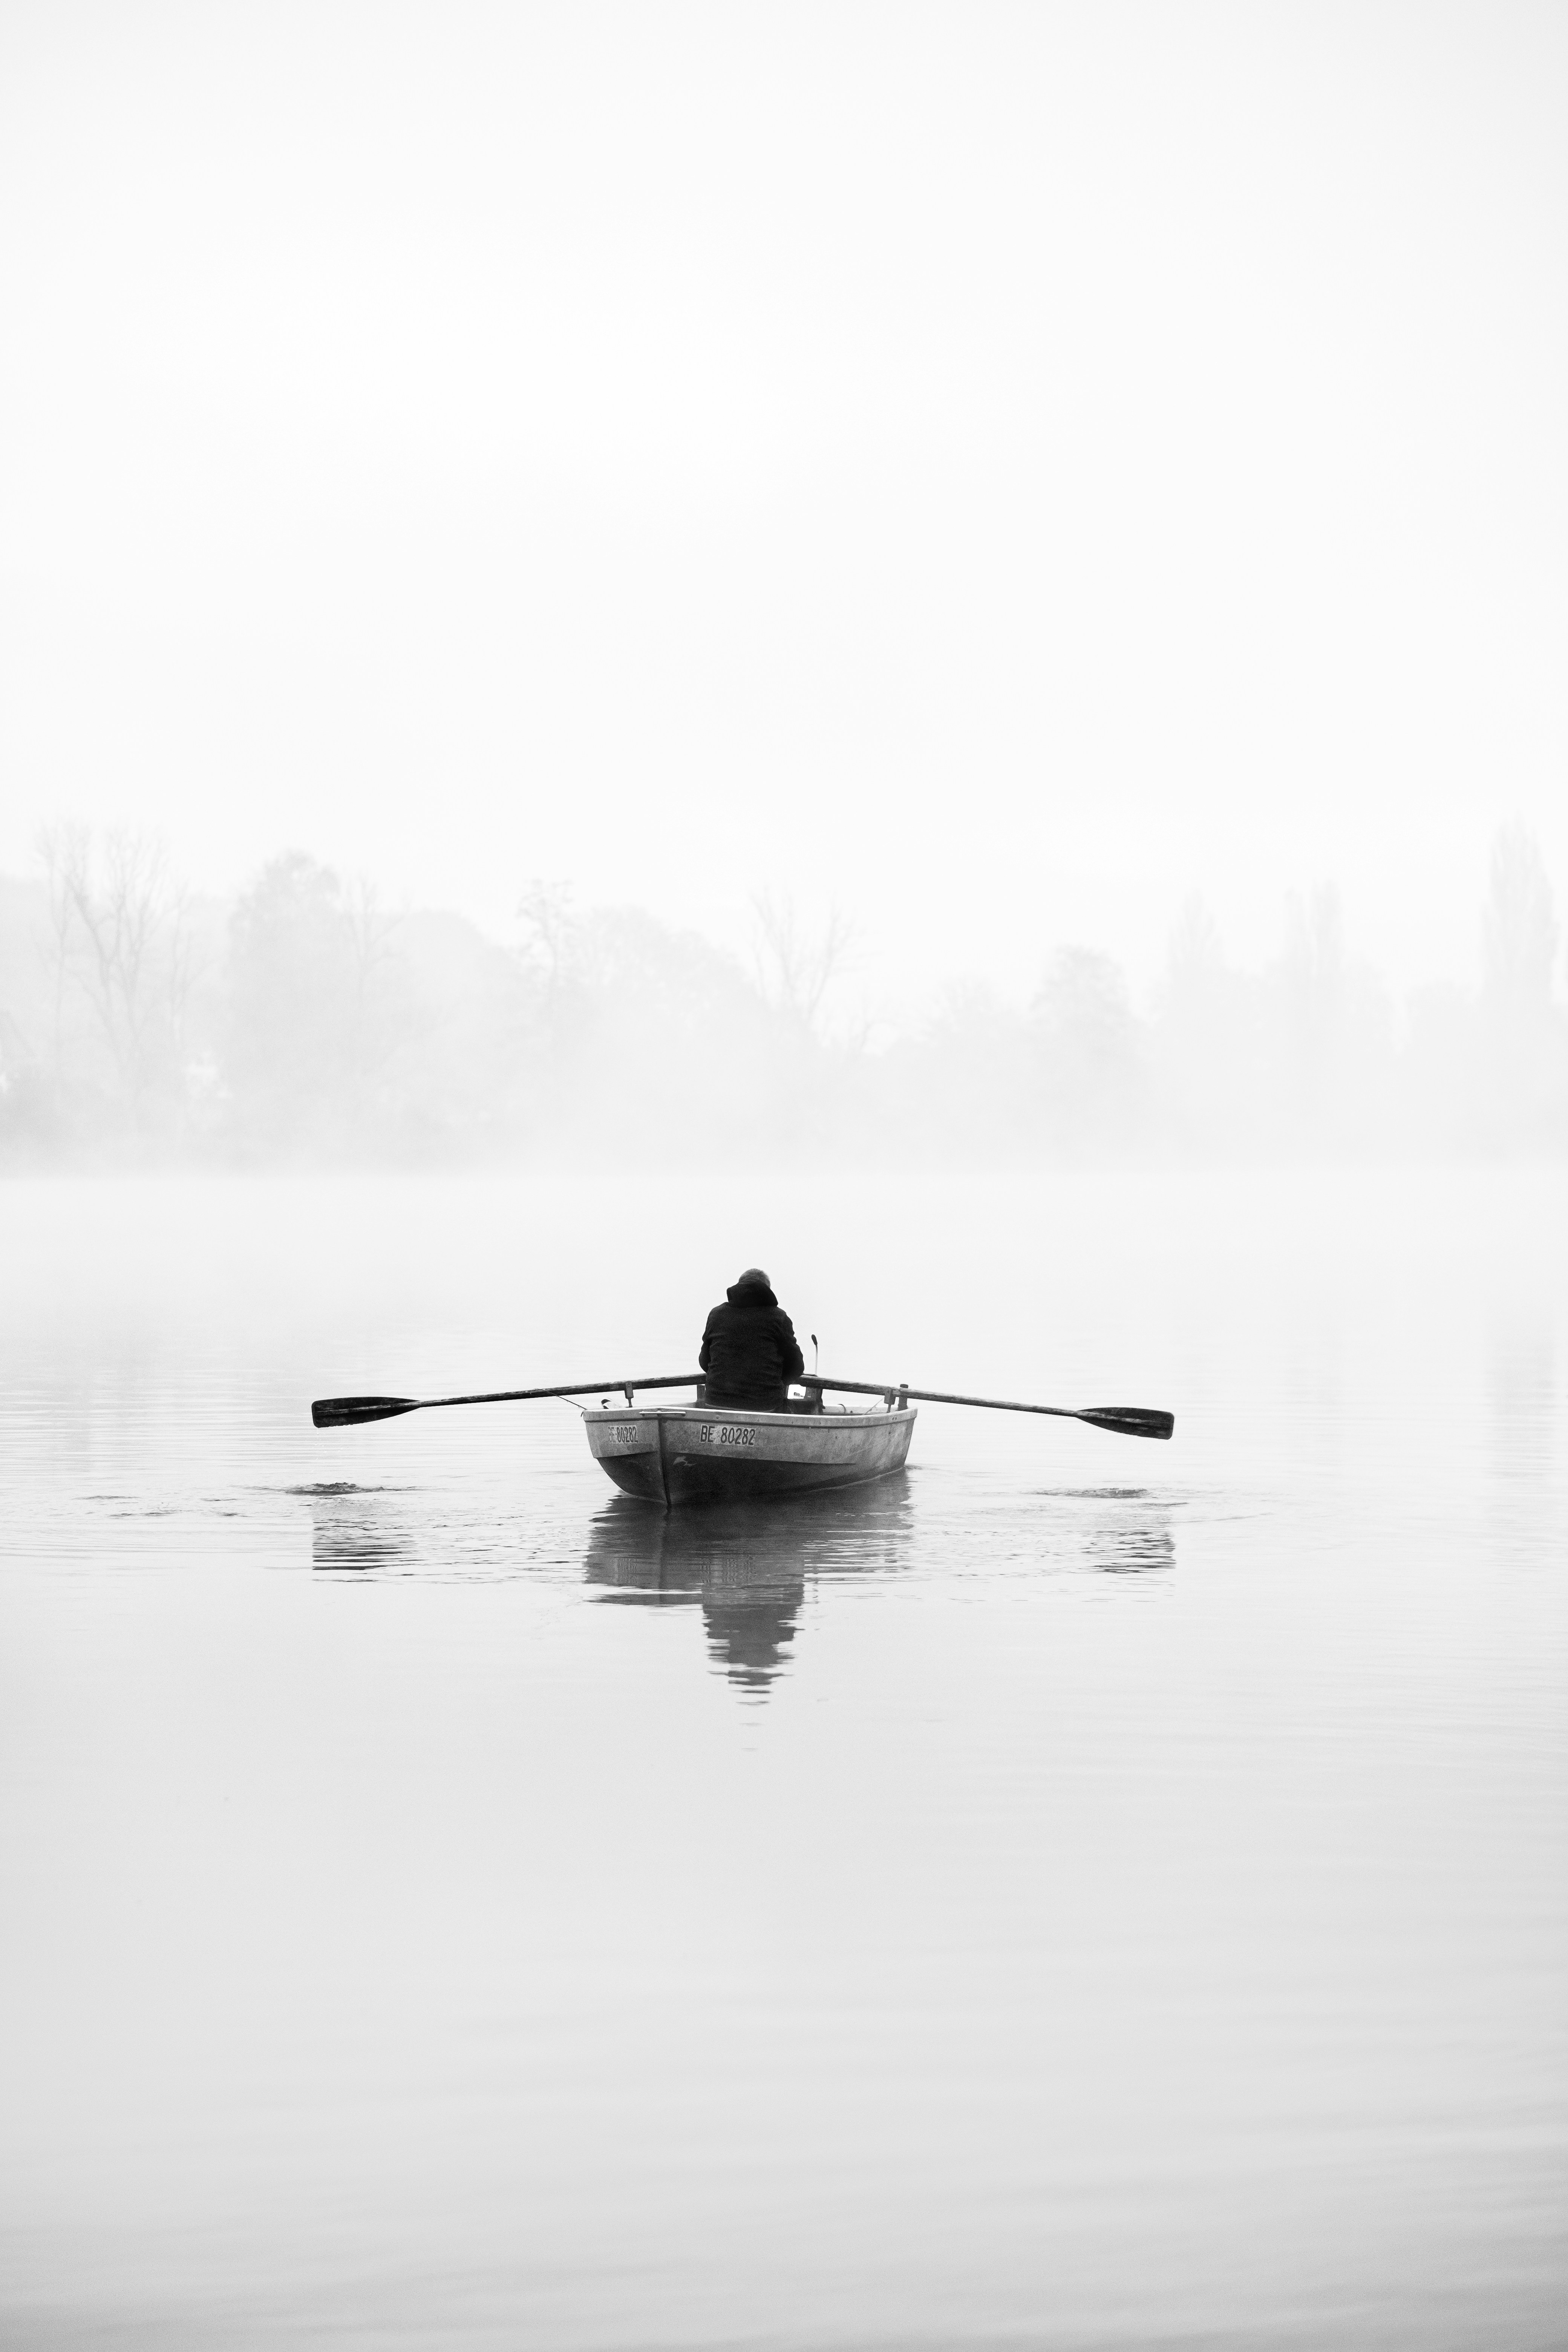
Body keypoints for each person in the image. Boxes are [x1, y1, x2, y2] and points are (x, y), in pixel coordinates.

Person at [698, 1266, 805, 1410]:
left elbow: (705, 1362)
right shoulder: (778, 1318)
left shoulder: (717, 1315)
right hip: (764, 1405)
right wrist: (778, 1383)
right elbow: (797, 1366)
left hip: (716, 1403)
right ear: (768, 1291)